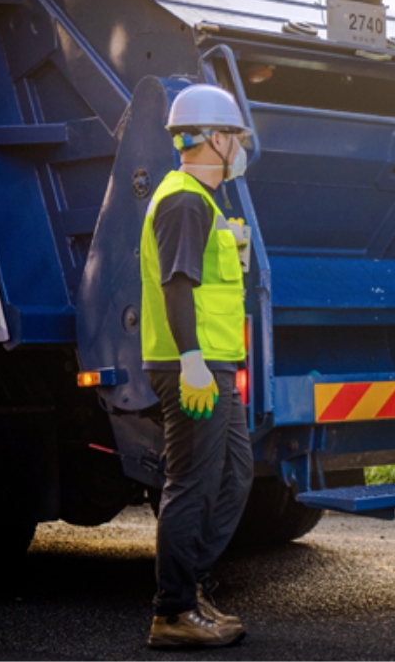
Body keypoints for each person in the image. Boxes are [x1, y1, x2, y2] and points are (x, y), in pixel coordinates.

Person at [141, 84, 254, 648]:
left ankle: (193, 588)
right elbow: (177, 284)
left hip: (215, 364)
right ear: (214, 138)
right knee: (190, 483)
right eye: (235, 136)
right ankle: (173, 612)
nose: (240, 148)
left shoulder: (203, 202)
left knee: (233, 475)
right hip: (192, 365)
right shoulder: (184, 200)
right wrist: (191, 361)